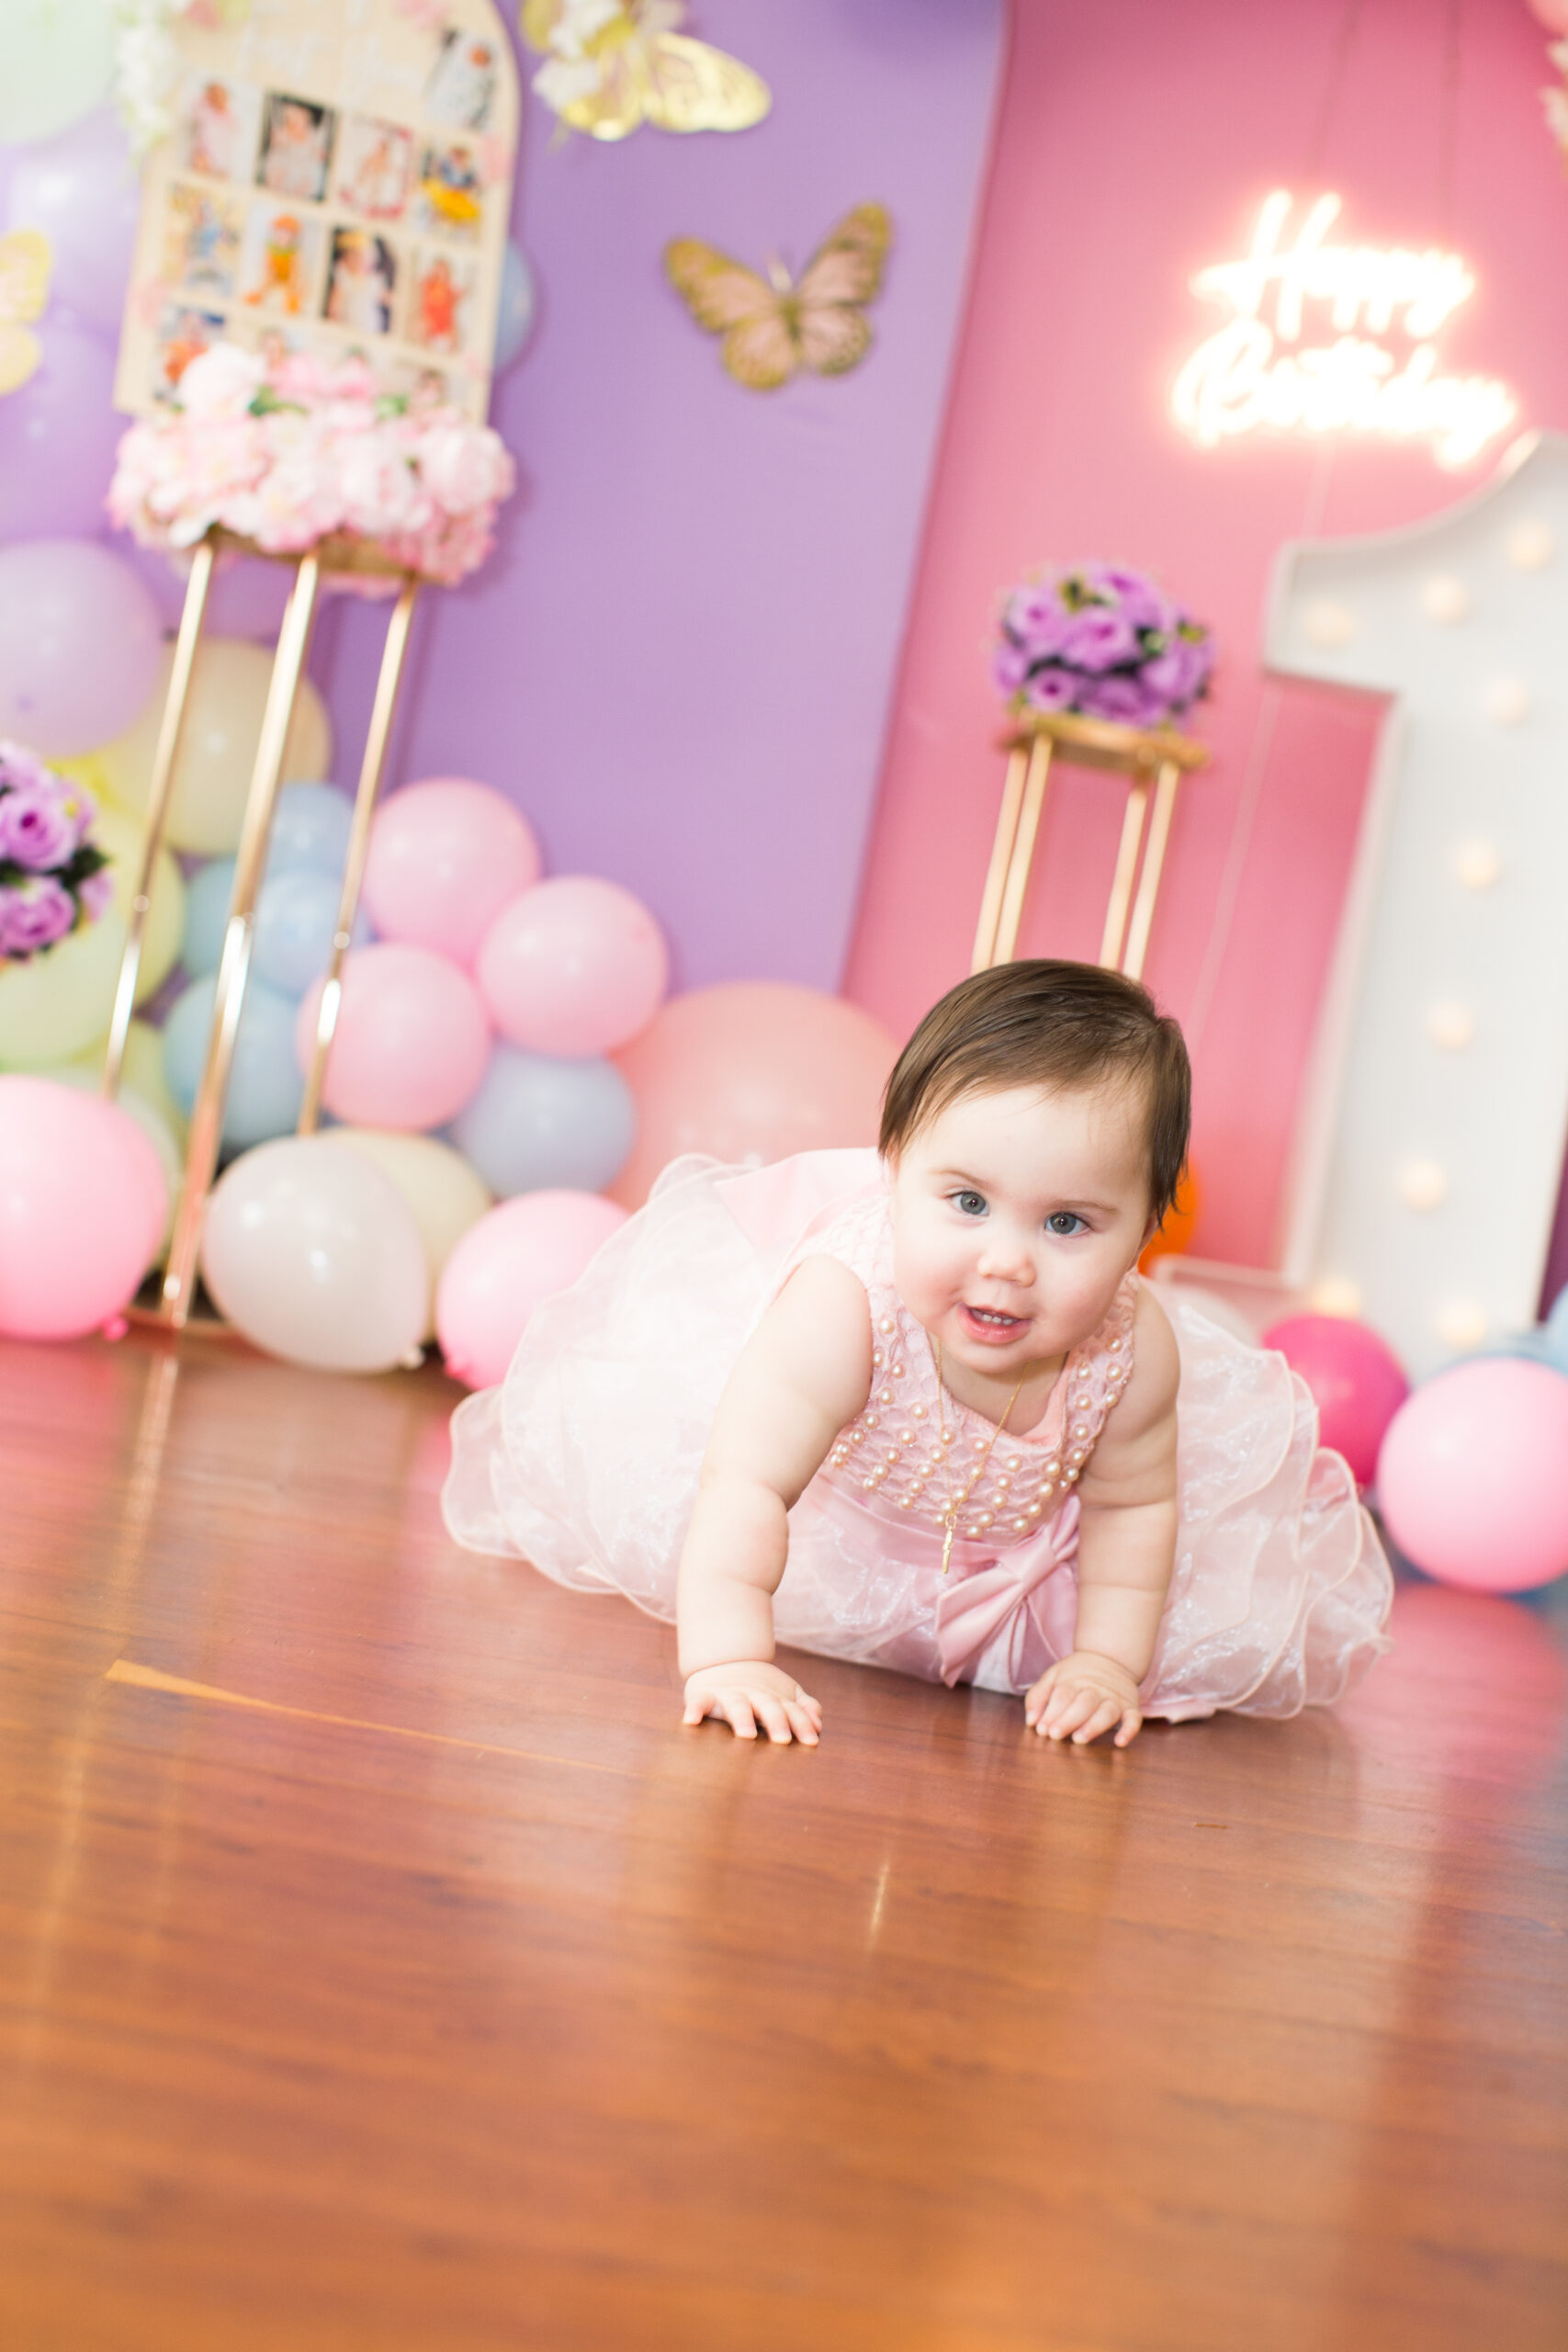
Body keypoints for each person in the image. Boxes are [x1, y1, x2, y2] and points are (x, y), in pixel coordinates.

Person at [444, 962, 1393, 1747]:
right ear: (895, 1172)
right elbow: (746, 1484)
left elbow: (1133, 1507)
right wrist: (728, 1655)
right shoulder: (842, 1308)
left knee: (1179, 1638)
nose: (1007, 1261)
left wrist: (1107, 1660)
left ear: (1146, 1229)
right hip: (821, 1529)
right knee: (732, 1519)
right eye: (967, 1202)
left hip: (1009, 1543)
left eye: (1067, 1223)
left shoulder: (1131, 1351)